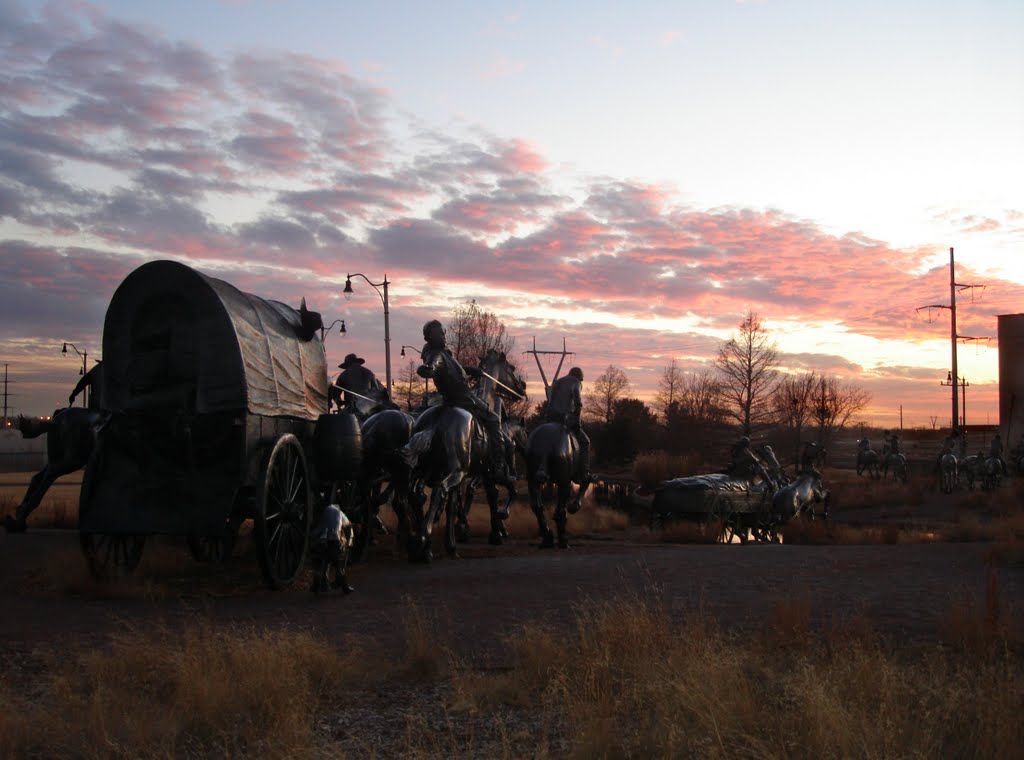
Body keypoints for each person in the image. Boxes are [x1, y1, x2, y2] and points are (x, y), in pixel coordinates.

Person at [416, 320, 516, 485]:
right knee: (492, 418)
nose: (443, 336)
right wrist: (426, 369)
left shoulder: (445, 354)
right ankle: (498, 466)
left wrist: (470, 370)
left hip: (458, 397)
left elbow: (455, 369)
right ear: (429, 338)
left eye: (443, 332)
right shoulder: (437, 355)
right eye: (438, 334)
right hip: (464, 399)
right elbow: (432, 366)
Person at [546, 367, 592, 482]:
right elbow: (578, 404)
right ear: (579, 378)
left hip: (551, 419)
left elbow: (550, 402)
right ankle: (584, 472)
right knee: (585, 442)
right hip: (566, 420)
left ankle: (543, 468)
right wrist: (577, 422)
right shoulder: (576, 382)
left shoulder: (557, 382)